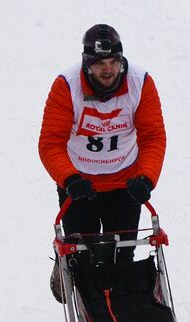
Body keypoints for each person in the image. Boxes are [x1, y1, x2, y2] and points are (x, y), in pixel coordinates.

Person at [38, 24, 166, 243]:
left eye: (114, 62)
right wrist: (69, 178)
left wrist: (146, 178)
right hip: (79, 183)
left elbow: (153, 136)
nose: (108, 70)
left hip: (125, 181)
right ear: (87, 65)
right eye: (100, 64)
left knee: (122, 255)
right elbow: (51, 143)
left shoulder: (140, 82)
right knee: (81, 259)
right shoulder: (67, 86)